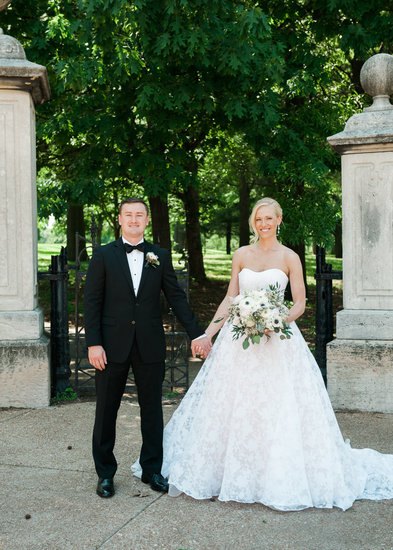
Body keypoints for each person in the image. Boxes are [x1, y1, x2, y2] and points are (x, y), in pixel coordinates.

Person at [133, 197, 393, 510]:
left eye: (269, 219)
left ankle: (273, 475)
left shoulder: (290, 257)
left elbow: (299, 303)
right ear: (253, 223)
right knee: (233, 403)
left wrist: (275, 321)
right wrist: (207, 334)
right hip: (238, 342)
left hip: (278, 341)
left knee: (277, 404)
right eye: (259, 220)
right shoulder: (241, 254)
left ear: (278, 220)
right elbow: (231, 299)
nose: (264, 224)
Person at [84, 197, 211, 498]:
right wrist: (93, 344)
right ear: (119, 219)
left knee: (152, 410)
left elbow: (176, 297)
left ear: (147, 220)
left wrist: (198, 333)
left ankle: (152, 469)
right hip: (110, 347)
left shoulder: (159, 255)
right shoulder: (103, 255)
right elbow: (91, 302)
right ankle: (105, 474)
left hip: (150, 345)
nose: (133, 219)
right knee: (106, 411)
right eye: (128, 215)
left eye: (139, 215)